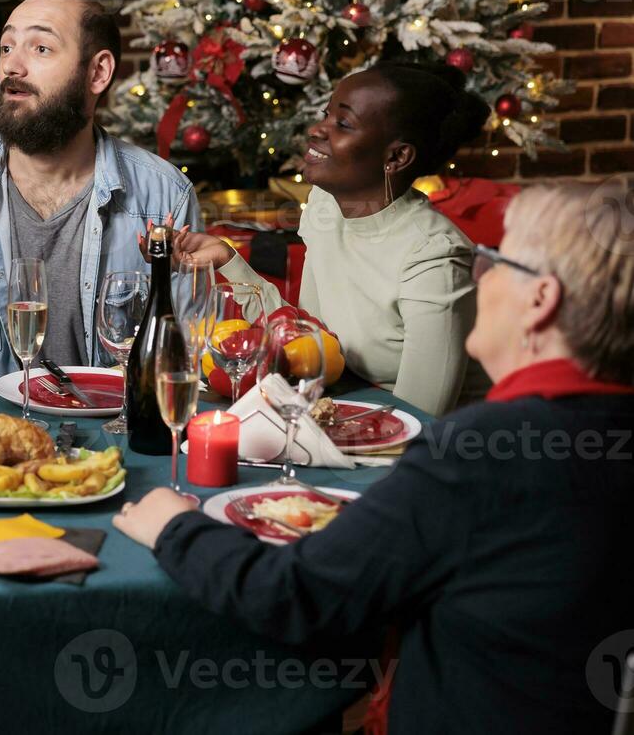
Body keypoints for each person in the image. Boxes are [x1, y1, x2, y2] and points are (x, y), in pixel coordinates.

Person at [114, 179, 634, 733]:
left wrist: (176, 527)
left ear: (540, 300)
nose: (480, 276)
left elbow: (294, 597)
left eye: (497, 259)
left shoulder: (482, 454)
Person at [0, 0, 200, 382]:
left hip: (116, 427)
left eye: (41, 48)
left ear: (98, 73)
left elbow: (184, 345)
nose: (12, 65)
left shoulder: (164, 196)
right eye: (6, 46)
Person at [167, 62, 489, 415]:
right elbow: (309, 341)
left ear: (396, 156)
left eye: (343, 124)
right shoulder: (325, 209)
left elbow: (418, 417)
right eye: (326, 114)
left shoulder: (434, 255)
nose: (318, 129)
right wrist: (228, 261)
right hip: (341, 410)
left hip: (422, 448)